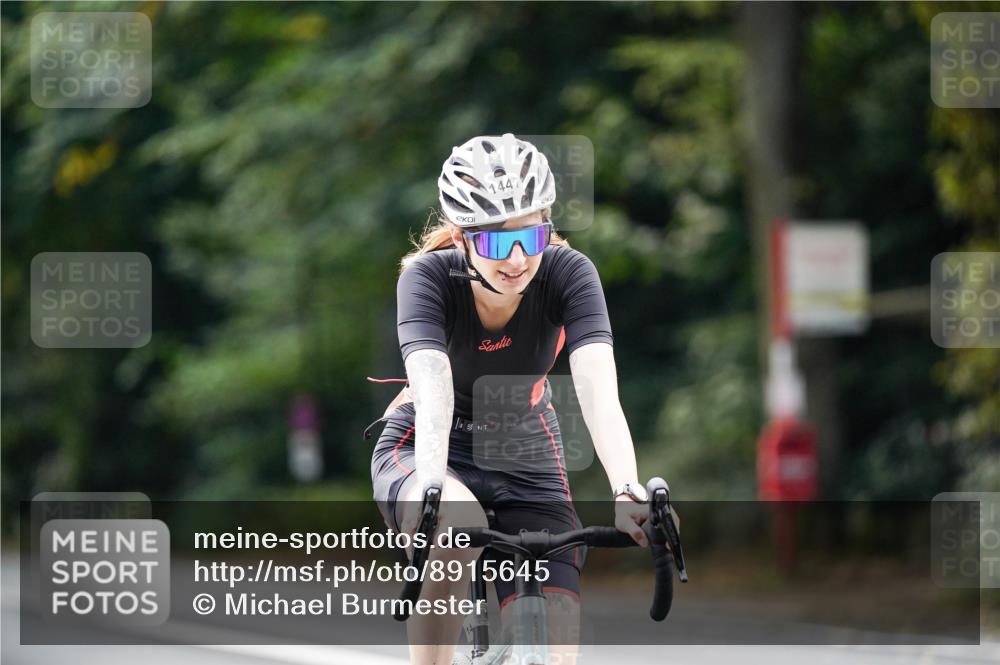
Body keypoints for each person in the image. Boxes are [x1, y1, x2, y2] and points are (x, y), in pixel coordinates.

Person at [370, 133, 651, 665]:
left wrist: (627, 488)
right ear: (462, 237)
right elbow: (432, 388)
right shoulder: (427, 278)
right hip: (429, 441)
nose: (519, 259)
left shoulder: (570, 272)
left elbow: (597, 386)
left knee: (556, 648)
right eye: (499, 244)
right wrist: (431, 487)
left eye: (532, 236)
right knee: (455, 528)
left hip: (524, 446)